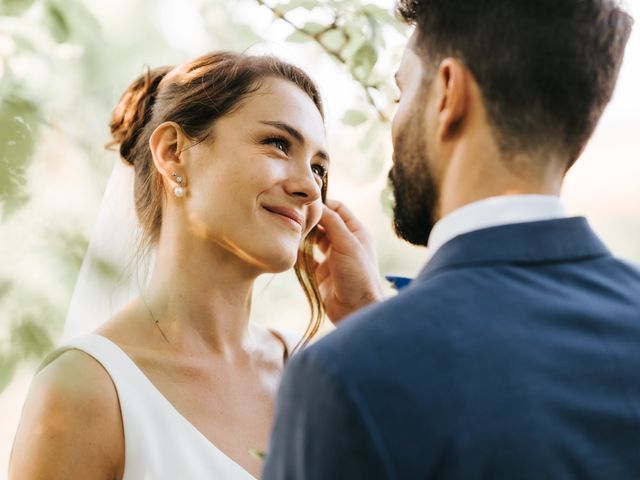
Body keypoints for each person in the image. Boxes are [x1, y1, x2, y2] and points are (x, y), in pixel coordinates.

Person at [263, 1, 640, 478]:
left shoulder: (345, 378)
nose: (394, 122)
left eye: (402, 92)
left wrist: (375, 341)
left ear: (447, 93)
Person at [9, 51, 381, 480]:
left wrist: (369, 315)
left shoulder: (319, 375)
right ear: (172, 153)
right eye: (278, 144)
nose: (309, 189)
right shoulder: (85, 390)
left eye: (319, 169)